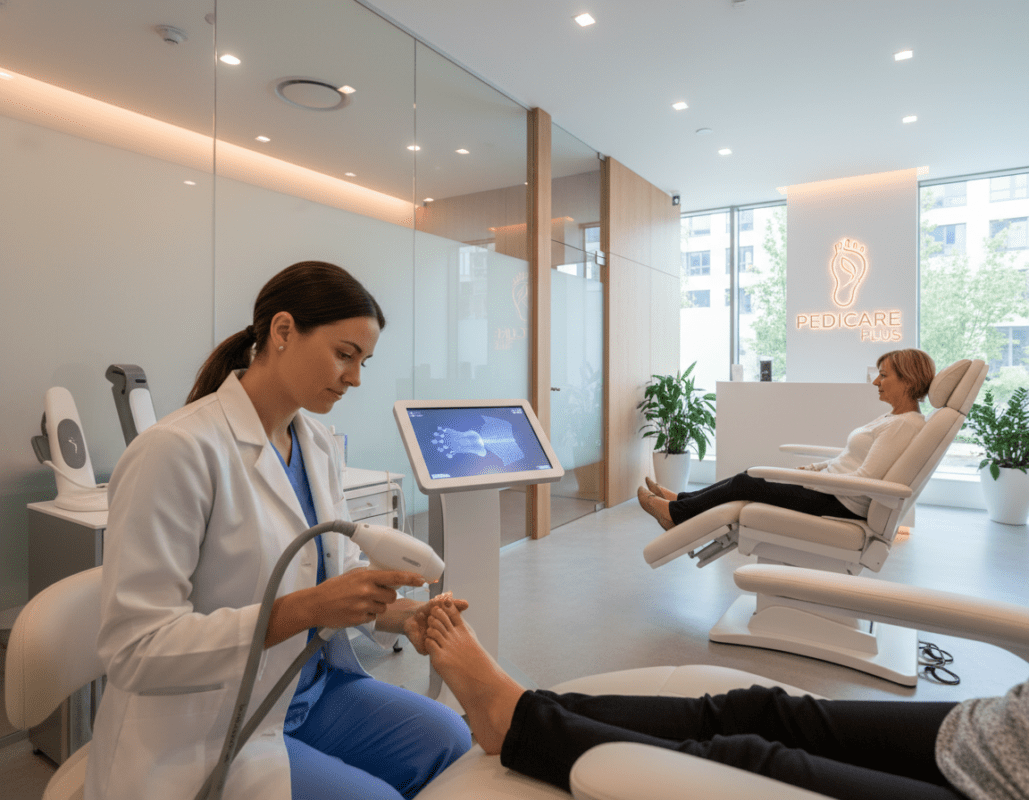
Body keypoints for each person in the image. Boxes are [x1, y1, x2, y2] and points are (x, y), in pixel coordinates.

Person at [85, 261, 471, 800]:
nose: (355, 378)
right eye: (344, 354)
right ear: (283, 331)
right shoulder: (175, 452)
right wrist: (305, 610)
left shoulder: (314, 444)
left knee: (449, 739)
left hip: (309, 687)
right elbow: (135, 650)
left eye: (364, 360)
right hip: (213, 719)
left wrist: (404, 616)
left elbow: (335, 573)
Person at [420, 598, 1027, 800]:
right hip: (996, 733)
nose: (876, 379)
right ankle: (523, 705)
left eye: (886, 372)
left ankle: (519, 723)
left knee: (749, 756)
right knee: (760, 708)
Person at [638, 349, 936, 530]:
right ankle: (681, 501)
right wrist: (818, 469)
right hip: (834, 491)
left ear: (908, 380)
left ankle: (675, 514)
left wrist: (810, 481)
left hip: (841, 503)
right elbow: (851, 459)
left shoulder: (904, 424)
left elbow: (867, 477)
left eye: (884, 375)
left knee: (747, 482)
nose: (875, 381)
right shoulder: (893, 418)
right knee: (749, 477)